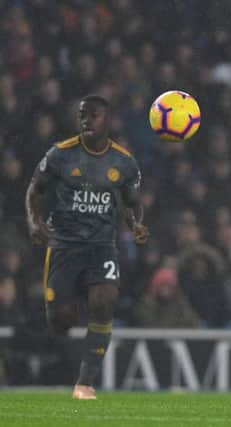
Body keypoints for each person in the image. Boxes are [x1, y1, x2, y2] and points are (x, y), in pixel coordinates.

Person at [25, 95, 149, 400]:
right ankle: (73, 303)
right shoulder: (60, 154)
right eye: (81, 115)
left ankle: (85, 383)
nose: (85, 121)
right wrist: (33, 221)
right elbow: (34, 189)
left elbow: (133, 204)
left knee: (105, 304)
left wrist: (135, 225)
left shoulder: (123, 162)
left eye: (92, 115)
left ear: (108, 120)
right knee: (60, 322)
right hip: (64, 246)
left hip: (101, 246)